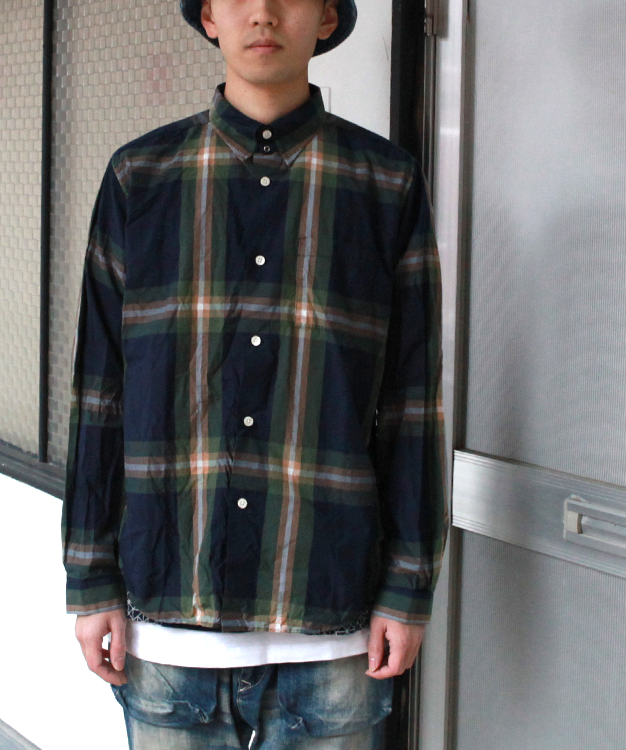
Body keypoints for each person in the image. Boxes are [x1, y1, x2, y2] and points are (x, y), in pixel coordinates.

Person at [60, 0, 449, 747]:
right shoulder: (141, 177)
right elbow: (99, 395)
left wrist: (409, 585)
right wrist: (90, 577)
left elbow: (413, 405)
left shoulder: (384, 183)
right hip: (167, 618)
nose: (263, 13)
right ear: (209, 16)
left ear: (326, 17)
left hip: (332, 625)